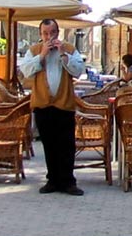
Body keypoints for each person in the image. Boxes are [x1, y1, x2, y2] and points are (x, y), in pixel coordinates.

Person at [18, 18, 85, 196]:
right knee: (49, 143)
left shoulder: (69, 49)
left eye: (52, 32)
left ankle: (68, 181)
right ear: (41, 34)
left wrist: (64, 55)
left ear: (58, 32)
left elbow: (78, 70)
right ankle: (53, 180)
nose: (49, 36)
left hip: (64, 105)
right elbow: (25, 71)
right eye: (45, 33)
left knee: (67, 144)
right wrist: (42, 56)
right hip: (43, 104)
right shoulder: (34, 51)